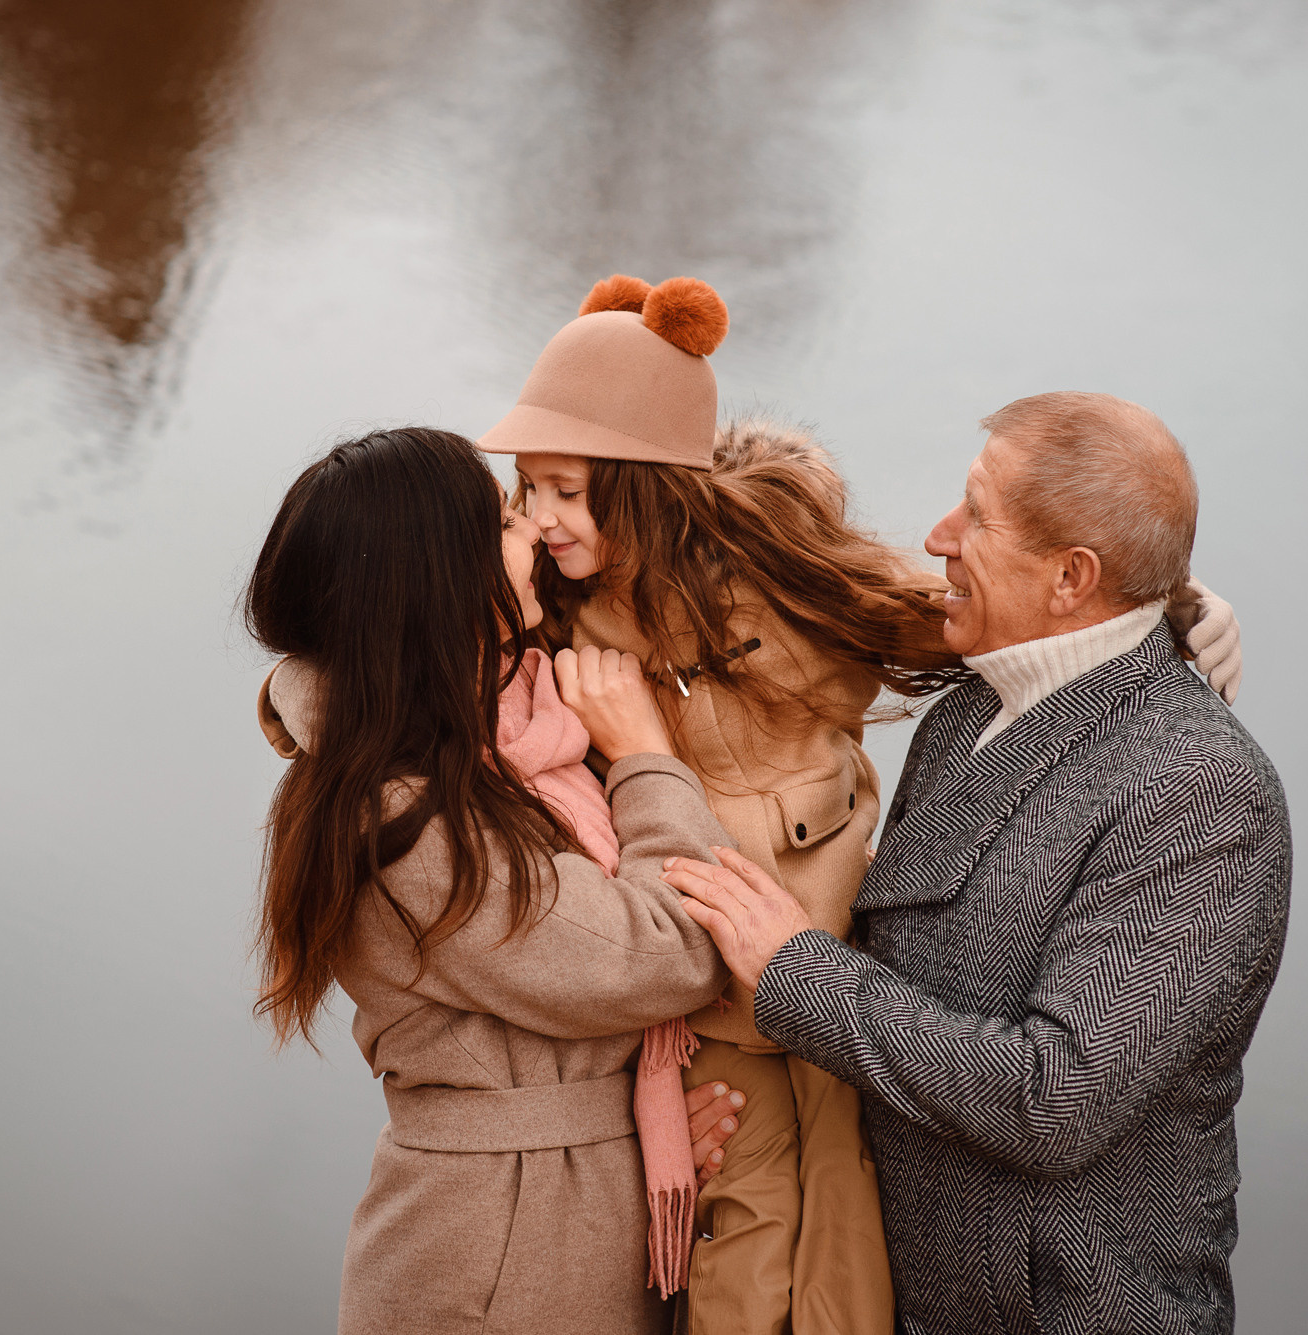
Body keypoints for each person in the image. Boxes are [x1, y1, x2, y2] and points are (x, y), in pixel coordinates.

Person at [478, 277, 1246, 1335]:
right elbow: (372, 663)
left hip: (842, 1067)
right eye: (528, 490)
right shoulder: (542, 618)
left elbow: (939, 618)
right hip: (706, 1052)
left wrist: (1175, 612)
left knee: (817, 1279)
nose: (936, 534)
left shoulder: (1189, 791)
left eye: (565, 489)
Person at [665, 392, 1293, 1335]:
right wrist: (716, 1109)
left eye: (976, 514)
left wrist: (794, 971)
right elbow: (893, 987)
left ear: (1072, 577)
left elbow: (1057, 1096)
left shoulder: (1200, 791)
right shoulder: (969, 710)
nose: (937, 534)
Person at [247, 426, 747, 1335]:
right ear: (449, 583)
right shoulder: (408, 823)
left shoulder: (483, 746)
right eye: (507, 519)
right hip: (496, 1265)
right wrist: (644, 756)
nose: (531, 534)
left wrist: (636, 1128)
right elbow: (671, 950)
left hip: (544, 1214)